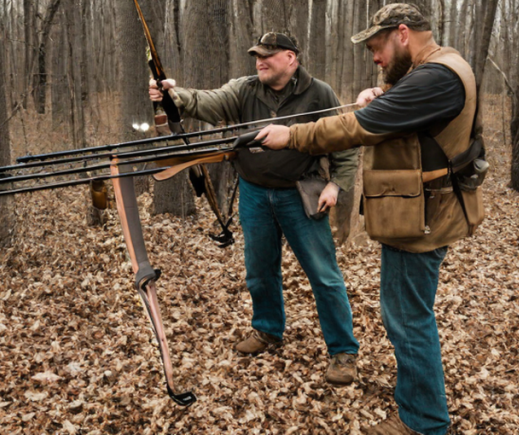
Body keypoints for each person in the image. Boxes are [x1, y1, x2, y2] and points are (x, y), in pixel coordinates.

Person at [255, 4, 485, 435]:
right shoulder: (437, 67)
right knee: (408, 314)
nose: (375, 59)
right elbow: (397, 111)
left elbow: (360, 127)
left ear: (402, 34)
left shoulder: (435, 77)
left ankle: (424, 424)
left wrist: (292, 135)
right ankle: (423, 412)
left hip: (421, 220)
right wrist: (382, 93)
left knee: (407, 317)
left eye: (377, 48)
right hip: (422, 214)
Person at [149, 32, 361, 385]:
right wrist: (174, 95)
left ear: (291, 58)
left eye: (268, 55)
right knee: (260, 271)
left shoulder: (319, 93)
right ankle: (267, 331)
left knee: (324, 276)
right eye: (257, 55)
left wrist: (335, 185)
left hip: (300, 194)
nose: (260, 61)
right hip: (254, 194)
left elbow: (346, 142)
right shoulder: (245, 88)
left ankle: (343, 351)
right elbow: (208, 102)